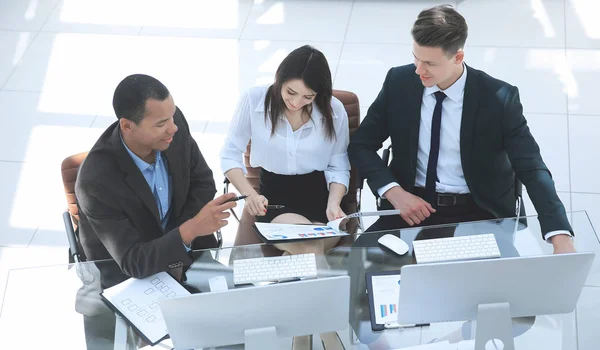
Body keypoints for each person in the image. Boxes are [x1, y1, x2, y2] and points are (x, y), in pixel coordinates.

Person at [348, 5, 574, 252]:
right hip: (410, 207)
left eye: (430, 63)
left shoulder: (499, 98)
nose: (418, 70)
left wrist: (559, 234)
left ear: (458, 57)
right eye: (416, 57)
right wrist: (394, 192)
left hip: (477, 212)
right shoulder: (399, 82)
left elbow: (531, 167)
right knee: (357, 279)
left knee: (477, 287)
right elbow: (362, 145)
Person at [76, 74, 237, 280]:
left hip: (188, 256)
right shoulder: (95, 182)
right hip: (129, 275)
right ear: (127, 126)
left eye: (172, 115)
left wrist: (179, 239)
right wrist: (189, 230)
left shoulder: (172, 124)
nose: (173, 128)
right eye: (161, 123)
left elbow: (202, 182)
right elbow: (133, 261)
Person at [220, 45, 351, 253]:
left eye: (308, 97)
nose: (297, 103)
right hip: (276, 200)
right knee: (310, 248)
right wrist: (249, 195)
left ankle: (288, 284)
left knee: (305, 258)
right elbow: (229, 154)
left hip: (321, 201)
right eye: (291, 92)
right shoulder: (254, 100)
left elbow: (339, 163)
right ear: (279, 79)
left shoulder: (334, 110)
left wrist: (334, 204)